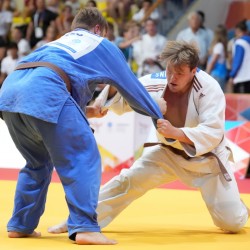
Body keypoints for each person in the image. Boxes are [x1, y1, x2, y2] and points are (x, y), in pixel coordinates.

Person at [48, 40, 249, 235]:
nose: (172, 78)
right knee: (126, 182)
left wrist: (177, 132)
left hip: (208, 161)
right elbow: (125, 87)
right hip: (167, 154)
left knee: (231, 223)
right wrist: (105, 98)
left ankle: (240, 209)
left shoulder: (209, 89)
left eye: (180, 73)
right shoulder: (157, 80)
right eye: (170, 70)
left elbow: (213, 131)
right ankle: (78, 221)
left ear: (194, 71)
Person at [0, 7, 163, 245]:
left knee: (37, 163)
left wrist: (87, 110)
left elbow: (48, 84)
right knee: (83, 156)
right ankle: (85, 227)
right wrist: (158, 114)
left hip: (10, 95)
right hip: (46, 92)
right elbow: (132, 89)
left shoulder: (55, 43)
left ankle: (21, 225)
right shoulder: (100, 43)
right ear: (98, 29)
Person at [227, 19, 250, 93]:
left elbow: (237, 61)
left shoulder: (240, 42)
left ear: (237, 31)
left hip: (242, 78)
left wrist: (232, 75)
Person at [206, 24, 228, 91]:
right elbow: (213, 61)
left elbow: (212, 61)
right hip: (219, 75)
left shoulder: (217, 46)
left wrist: (207, 72)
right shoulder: (220, 46)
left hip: (216, 75)